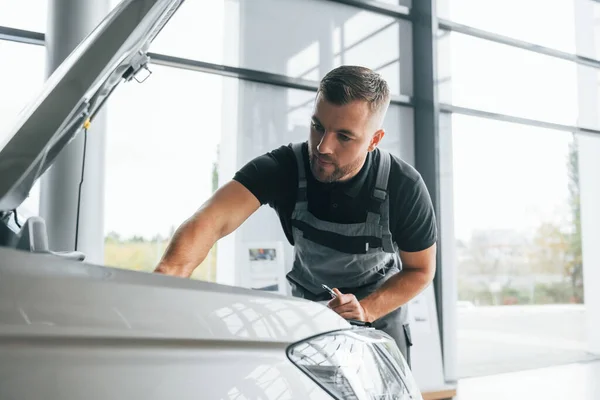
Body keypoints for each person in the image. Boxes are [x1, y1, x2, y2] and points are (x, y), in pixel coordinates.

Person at [154, 65, 437, 366]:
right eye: (318, 126)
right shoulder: (284, 168)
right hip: (310, 319)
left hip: (378, 324)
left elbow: (420, 271)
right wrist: (164, 281)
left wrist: (366, 309)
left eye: (344, 137)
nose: (322, 146)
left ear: (374, 139)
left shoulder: (404, 187)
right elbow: (209, 222)